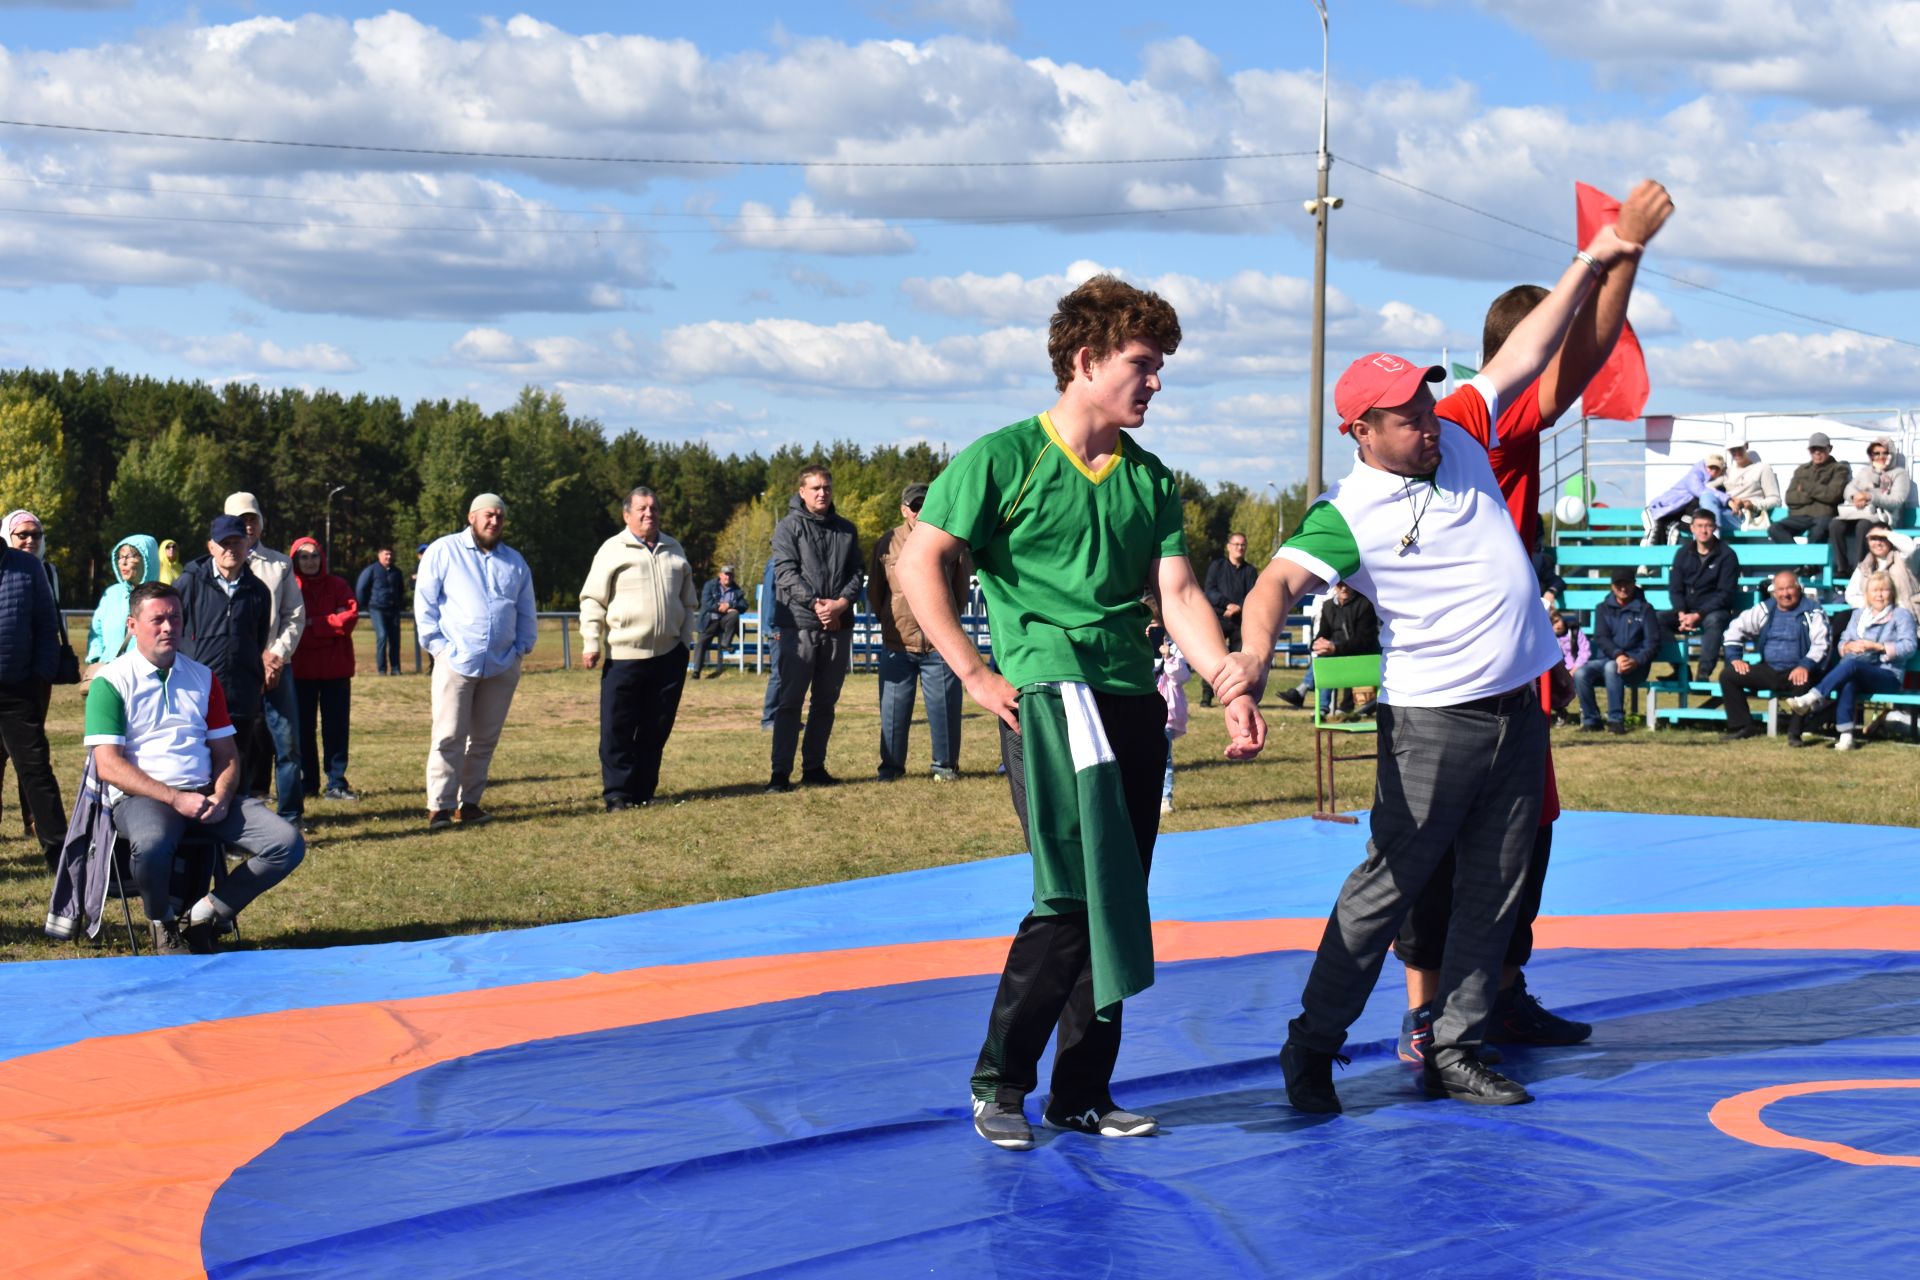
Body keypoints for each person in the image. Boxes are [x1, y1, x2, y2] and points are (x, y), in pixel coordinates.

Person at [1237, 197, 1662, 1114]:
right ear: (1360, 432)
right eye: (1405, 417)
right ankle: (1312, 1043)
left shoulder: (1464, 429)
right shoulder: (1347, 512)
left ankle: (1460, 1045)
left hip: (1515, 710)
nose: (1428, 423)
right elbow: (1272, 584)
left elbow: (1528, 351)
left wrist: (1596, 257)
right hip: (1431, 725)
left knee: (1495, 890)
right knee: (1386, 891)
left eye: (1427, 403)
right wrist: (1246, 662)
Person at [895, 273, 1263, 1151]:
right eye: (1143, 363)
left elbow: (1174, 589)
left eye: (1162, 365)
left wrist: (1227, 679)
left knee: (1120, 896)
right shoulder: (1002, 458)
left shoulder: (1151, 479)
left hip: (1131, 697)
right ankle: (999, 1083)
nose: (1157, 382)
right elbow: (922, 564)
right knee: (1070, 895)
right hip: (1050, 700)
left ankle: (1081, 1093)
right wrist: (977, 673)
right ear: (1087, 359)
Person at [1390, 178, 1675, 1069]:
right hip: (1455, 668)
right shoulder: (1489, 419)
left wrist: (1620, 258)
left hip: (1512, 662)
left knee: (1527, 833)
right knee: (1439, 841)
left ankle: (1500, 992)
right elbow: (1582, 353)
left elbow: (1584, 351)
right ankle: (1426, 1011)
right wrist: (1617, 255)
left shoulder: (1496, 425)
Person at [84, 582, 305, 955]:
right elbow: (108, 766)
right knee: (152, 845)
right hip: (145, 797)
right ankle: (163, 923)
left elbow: (227, 753)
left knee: (287, 843)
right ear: (132, 625)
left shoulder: (203, 677)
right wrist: (175, 798)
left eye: (175, 617)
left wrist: (221, 794)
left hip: (206, 793)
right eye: (158, 619)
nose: (169, 627)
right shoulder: (111, 681)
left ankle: (206, 913)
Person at [416, 493, 537, 830]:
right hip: (455, 660)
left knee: (484, 739)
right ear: (471, 516)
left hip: (502, 664)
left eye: (499, 516)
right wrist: (438, 647)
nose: (494, 521)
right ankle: (439, 807)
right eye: (488, 515)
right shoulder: (444, 550)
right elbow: (424, 602)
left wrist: (521, 649)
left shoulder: (514, 561)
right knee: (449, 735)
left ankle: (468, 804)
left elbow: (526, 607)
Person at [578, 487, 698, 811]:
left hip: (669, 656)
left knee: (656, 728)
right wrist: (591, 641)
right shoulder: (612, 550)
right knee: (618, 728)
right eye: (642, 509)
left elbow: (688, 602)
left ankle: (644, 792)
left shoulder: (674, 549)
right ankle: (617, 794)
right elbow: (592, 599)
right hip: (625, 657)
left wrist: (685, 643)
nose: (649, 514)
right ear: (626, 515)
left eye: (654, 508)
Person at [766, 466, 863, 792]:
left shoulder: (846, 531)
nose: (823, 493)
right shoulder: (787, 528)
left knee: (825, 702)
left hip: (838, 625)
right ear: (802, 491)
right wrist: (817, 605)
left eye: (827, 487)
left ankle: (814, 767)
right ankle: (780, 773)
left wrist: (841, 604)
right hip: (799, 627)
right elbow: (786, 574)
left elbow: (856, 573)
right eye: (816, 488)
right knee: (790, 702)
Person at [869, 482, 970, 782]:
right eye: (915, 506)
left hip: (939, 645)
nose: (921, 511)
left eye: (927, 504)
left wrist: (945, 626)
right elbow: (876, 592)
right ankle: (890, 769)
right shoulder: (886, 543)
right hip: (897, 643)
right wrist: (890, 622)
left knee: (945, 710)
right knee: (893, 714)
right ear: (904, 510)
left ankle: (945, 766)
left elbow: (960, 591)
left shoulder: (951, 542)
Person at [174, 516, 275, 797]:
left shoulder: (258, 591)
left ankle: (235, 833)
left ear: (247, 545)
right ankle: (200, 832)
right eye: (224, 543)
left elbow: (259, 637)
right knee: (197, 766)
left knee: (237, 764)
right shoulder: (189, 583)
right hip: (197, 694)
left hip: (242, 694)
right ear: (211, 547)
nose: (231, 549)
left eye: (237, 542)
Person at [224, 493, 307, 828]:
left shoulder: (279, 565)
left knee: (287, 745)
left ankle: (291, 815)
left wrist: (276, 655)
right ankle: (237, 818)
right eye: (241, 519)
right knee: (235, 747)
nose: (248, 525)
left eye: (253, 518)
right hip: (236, 671)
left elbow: (294, 615)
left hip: (277, 667)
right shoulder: (216, 566)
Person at [1782, 572, 1916, 751]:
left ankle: (1812, 698)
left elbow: (1909, 646)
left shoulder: (1901, 615)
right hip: (1858, 671)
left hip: (1888, 675)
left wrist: (1878, 647)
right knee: (1849, 681)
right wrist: (1848, 647)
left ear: (1892, 593)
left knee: (1851, 666)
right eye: (1875, 590)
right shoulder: (1859, 615)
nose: (1879, 595)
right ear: (1867, 594)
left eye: (1884, 590)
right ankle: (1846, 737)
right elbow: (1843, 640)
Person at [0, 513, 65, 872]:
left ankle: (59, 853)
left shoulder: (26, 568)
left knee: (36, 771)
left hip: (18, 689)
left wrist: (38, 675)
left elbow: (46, 626)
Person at [1718, 570, 1829, 746]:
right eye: (1781, 589)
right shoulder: (1765, 609)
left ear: (1799, 588)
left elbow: (1821, 644)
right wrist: (1735, 657)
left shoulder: (1813, 611)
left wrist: (1805, 666)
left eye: (1790, 588)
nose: (1785, 594)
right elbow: (1734, 629)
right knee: (1728, 675)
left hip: (1798, 670)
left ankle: (1795, 734)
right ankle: (1742, 726)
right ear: (1774, 592)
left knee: (1804, 683)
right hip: (1770, 669)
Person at [290, 537, 359, 802]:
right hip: (301, 671)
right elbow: (293, 628)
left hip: (336, 671)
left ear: (322, 558)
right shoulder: (291, 587)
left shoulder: (338, 585)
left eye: (314, 556)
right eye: (304, 557)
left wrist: (313, 624)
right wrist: (330, 627)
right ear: (295, 560)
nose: (310, 561)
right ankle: (309, 782)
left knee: (336, 728)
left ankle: (336, 782)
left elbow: (349, 618)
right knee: (304, 729)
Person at [1572, 570, 1660, 733]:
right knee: (1581, 673)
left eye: (1627, 583)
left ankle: (1616, 720)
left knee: (1612, 667)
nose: (1623, 588)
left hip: (1636, 665)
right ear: (1612, 586)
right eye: (1619, 584)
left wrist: (1636, 660)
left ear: (1634, 584)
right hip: (1609, 658)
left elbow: (1652, 643)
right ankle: (1591, 720)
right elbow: (1601, 637)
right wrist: (1618, 655)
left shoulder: (1646, 610)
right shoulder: (1602, 608)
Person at [1659, 507, 1740, 682]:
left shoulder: (1727, 556)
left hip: (1714, 611)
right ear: (1692, 528)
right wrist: (1681, 612)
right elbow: (1675, 588)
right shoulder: (1683, 553)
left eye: (1708, 526)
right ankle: (1679, 667)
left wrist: (1698, 615)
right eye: (1700, 526)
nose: (1704, 530)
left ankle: (1703, 673)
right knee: (1656, 619)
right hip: (1686, 611)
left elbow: (1725, 595)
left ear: (1715, 528)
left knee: (1714, 620)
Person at [1829, 438, 1910, 579]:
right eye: (1876, 453)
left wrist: (1870, 496)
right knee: (1836, 524)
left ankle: (1862, 568)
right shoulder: (1865, 471)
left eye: (1885, 453)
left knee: (1864, 526)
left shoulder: (1899, 474)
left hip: (1884, 517)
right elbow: (1849, 489)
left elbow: (1896, 500)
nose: (1880, 457)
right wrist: (1855, 497)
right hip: (1861, 512)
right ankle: (1842, 567)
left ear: (1891, 454)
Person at [1306, 581, 1380, 720]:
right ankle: (1323, 705)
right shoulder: (1328, 606)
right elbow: (1323, 634)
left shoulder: (1365, 604)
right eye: (1340, 585)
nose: (1344, 588)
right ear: (1334, 586)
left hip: (1362, 653)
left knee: (1328, 657)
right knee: (1323, 654)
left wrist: (1335, 648)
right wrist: (1316, 645)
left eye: (1349, 584)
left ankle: (1307, 691)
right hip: (1338, 652)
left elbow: (1364, 641)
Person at [86, 535, 161, 668]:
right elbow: (96, 633)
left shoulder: (162, 598)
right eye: (120, 556)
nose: (123, 562)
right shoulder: (111, 594)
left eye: (130, 556)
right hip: (110, 675)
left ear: (147, 559)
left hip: (147, 676)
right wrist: (97, 658)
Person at [1767, 434, 1850, 554]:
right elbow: (1790, 498)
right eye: (1813, 449)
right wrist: (1818, 493)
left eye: (1821, 449)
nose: (1817, 453)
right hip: (1799, 517)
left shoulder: (1839, 469)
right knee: (1775, 529)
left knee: (1818, 531)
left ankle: (1808, 565)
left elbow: (1832, 495)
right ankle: (1802, 562)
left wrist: (1806, 488)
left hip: (1823, 516)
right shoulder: (1802, 470)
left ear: (1829, 449)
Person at [1201, 532, 1256, 706]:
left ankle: (1236, 697)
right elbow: (1209, 590)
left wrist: (1238, 607)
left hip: (1240, 621)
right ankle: (1207, 695)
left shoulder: (1250, 571)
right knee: (1213, 659)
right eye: (1236, 544)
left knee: (1239, 660)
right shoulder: (1217, 567)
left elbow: (1254, 595)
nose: (1239, 548)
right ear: (1228, 546)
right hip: (1218, 618)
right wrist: (1227, 605)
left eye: (1243, 545)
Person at [1149, 604, 1190, 816]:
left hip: (1166, 712)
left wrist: (1168, 657)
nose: (1151, 631)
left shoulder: (1175, 649)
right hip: (1141, 710)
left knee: (1164, 759)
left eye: (1156, 627)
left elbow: (1182, 676)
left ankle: (1166, 798)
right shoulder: (1137, 647)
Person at [1643, 454, 1729, 545]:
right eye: (1711, 467)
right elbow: (1700, 491)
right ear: (1705, 467)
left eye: (1717, 469)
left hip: (1674, 518)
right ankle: (1644, 556)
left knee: (1671, 534)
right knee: (1653, 532)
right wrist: (1728, 500)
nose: (1713, 471)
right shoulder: (1695, 476)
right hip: (1656, 509)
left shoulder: (1717, 487)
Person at [1844, 525, 1920, 622]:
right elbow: (1850, 595)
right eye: (1873, 539)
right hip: (1875, 619)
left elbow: (1911, 549)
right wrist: (1874, 607)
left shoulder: (1904, 559)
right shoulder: (1864, 566)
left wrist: (1887, 533)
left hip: (1906, 617)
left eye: (1882, 538)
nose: (1878, 543)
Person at [355, 546, 408, 676]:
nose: (388, 557)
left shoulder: (396, 572)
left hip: (393, 609)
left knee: (395, 640)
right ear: (379, 555)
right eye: (386, 554)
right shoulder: (371, 570)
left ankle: (396, 669)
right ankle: (382, 670)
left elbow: (401, 590)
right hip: (377, 608)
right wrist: (365, 605)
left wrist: (398, 602)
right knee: (382, 636)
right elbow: (361, 589)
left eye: (390, 554)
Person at [692, 564, 747, 679]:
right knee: (701, 643)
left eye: (730, 575)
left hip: (725, 623)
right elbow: (706, 603)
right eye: (726, 574)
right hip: (710, 620)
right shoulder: (710, 585)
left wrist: (730, 605)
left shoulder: (737, 590)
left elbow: (744, 605)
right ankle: (696, 672)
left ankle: (725, 643)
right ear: (720, 575)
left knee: (735, 613)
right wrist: (719, 607)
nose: (728, 577)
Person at [758, 554, 793, 731]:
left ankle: (783, 718)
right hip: (778, 628)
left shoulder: (786, 563)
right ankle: (768, 718)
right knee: (778, 674)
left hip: (787, 626)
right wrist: (773, 627)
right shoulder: (774, 564)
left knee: (788, 675)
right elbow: (769, 598)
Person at [1717, 439, 1781, 531]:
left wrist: (1752, 505)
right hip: (1728, 510)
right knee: (1704, 516)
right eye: (1732, 450)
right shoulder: (1727, 471)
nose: (1736, 452)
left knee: (1709, 519)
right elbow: (1708, 488)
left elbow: (1775, 500)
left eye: (1739, 448)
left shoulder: (1762, 468)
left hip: (1747, 515)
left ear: (1746, 446)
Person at [1551, 612, 1589, 723]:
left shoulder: (1575, 632)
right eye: (1553, 623)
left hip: (1577, 668)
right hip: (1558, 670)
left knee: (1581, 677)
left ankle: (1585, 711)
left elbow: (1585, 652)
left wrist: (1575, 668)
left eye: (1558, 621)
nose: (1557, 625)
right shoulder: (1548, 637)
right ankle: (1560, 711)